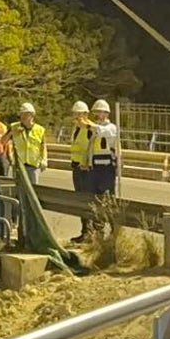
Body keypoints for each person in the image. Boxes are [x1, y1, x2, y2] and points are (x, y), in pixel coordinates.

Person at [68, 100, 95, 243]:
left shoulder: (90, 128)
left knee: (87, 200)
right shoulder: (76, 128)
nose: (76, 116)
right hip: (76, 167)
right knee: (80, 200)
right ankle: (85, 231)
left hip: (86, 169)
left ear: (85, 114)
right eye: (75, 114)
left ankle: (90, 232)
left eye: (79, 114)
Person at [85, 99, 119, 198]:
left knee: (107, 196)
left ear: (106, 114)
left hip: (106, 168)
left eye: (100, 112)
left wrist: (88, 124)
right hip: (94, 167)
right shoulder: (93, 129)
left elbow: (102, 131)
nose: (97, 115)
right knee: (93, 196)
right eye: (96, 112)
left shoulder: (111, 128)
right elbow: (91, 148)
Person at [8, 102, 47, 184]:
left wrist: (44, 159)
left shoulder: (40, 130)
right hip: (19, 166)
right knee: (19, 190)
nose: (22, 117)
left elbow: (43, 146)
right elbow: (3, 141)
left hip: (33, 166)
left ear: (32, 115)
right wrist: (12, 133)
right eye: (21, 114)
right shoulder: (14, 127)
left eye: (25, 114)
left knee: (33, 190)